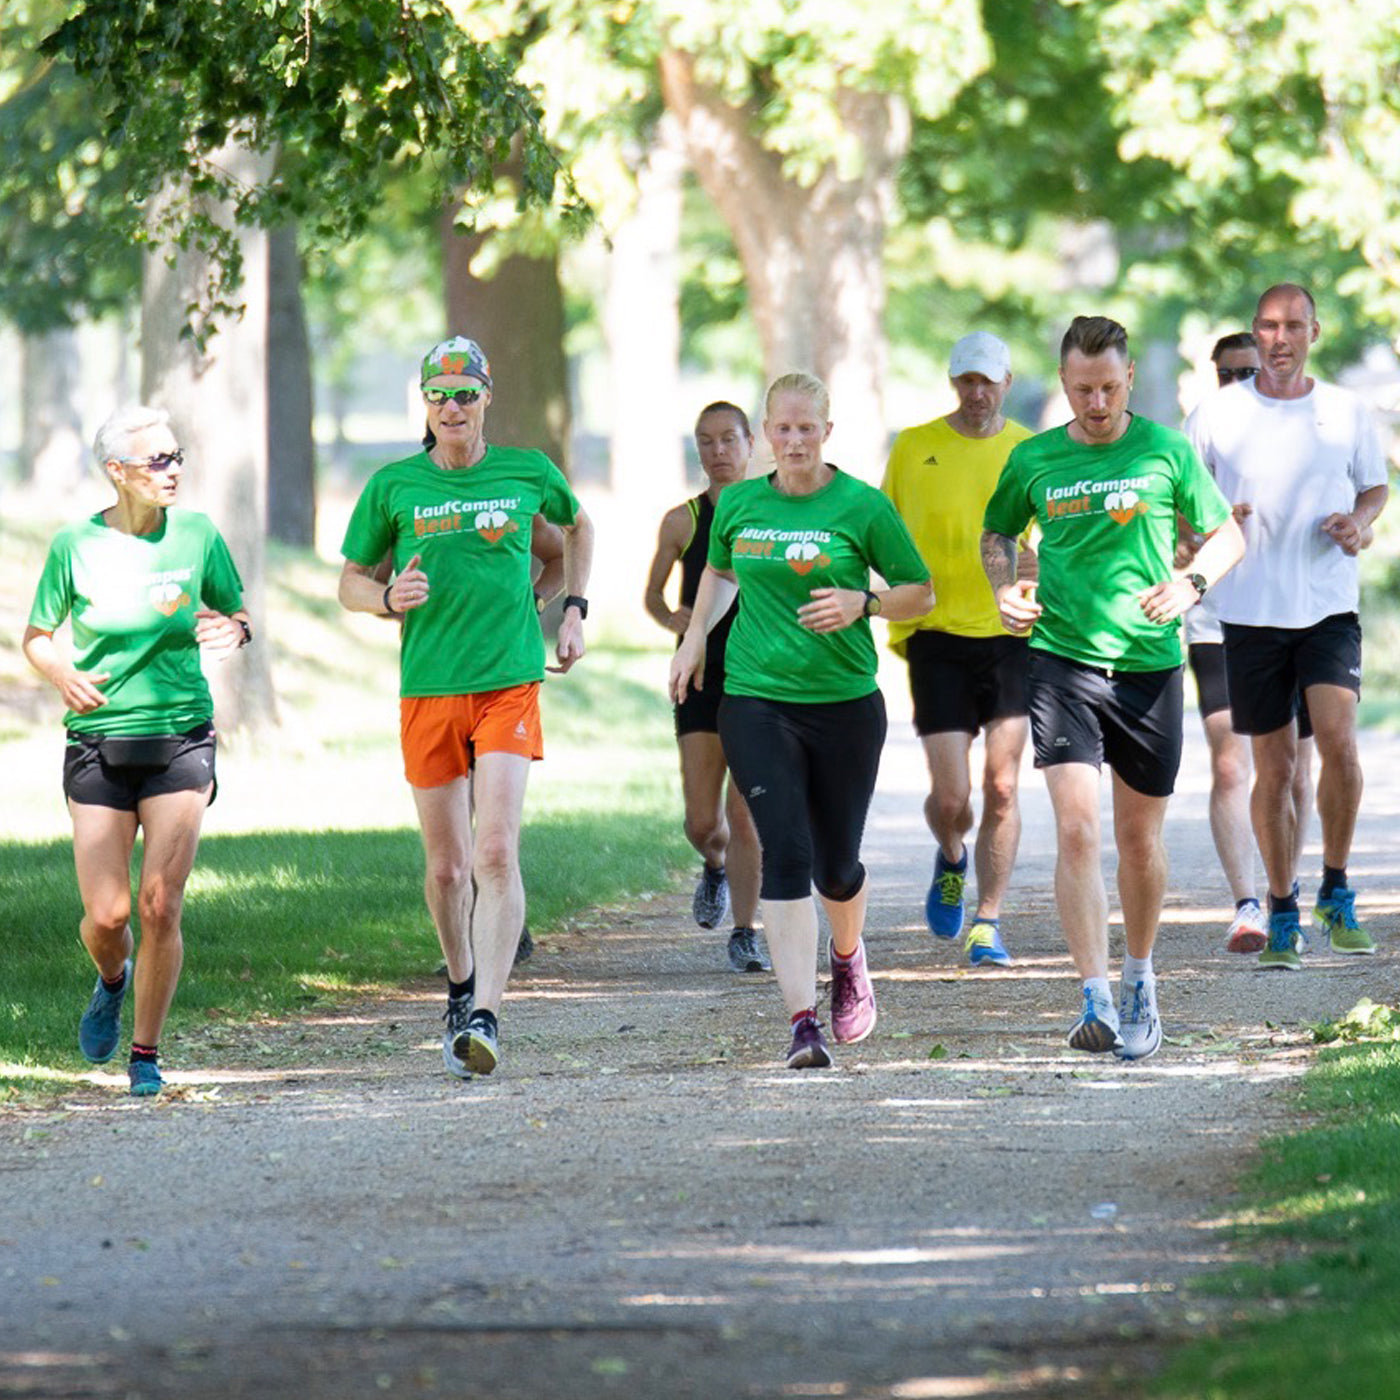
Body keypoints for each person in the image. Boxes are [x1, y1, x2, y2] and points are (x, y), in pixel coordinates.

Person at [982, 316, 1245, 1059]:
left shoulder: (1165, 450)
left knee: (1138, 840)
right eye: (1079, 389)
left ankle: (1139, 975)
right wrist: (1007, 587)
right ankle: (1093, 993)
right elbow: (998, 534)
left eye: (1106, 387)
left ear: (1129, 378)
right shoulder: (1034, 458)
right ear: (1062, 384)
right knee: (1077, 829)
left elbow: (1228, 535)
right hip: (1062, 661)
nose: (1094, 403)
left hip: (1148, 666)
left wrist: (1192, 582)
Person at [339, 335, 594, 1079]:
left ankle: (486, 1011)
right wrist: (387, 597)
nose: (453, 405)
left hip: (509, 681)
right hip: (428, 687)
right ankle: (458, 983)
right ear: (425, 404)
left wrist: (571, 606)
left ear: (488, 396)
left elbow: (574, 531)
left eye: (466, 392)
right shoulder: (395, 486)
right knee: (448, 869)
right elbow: (349, 581)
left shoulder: (526, 473)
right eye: (439, 394)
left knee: (495, 851)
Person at [670, 373, 933, 1069]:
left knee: (837, 866)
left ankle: (848, 958)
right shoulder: (741, 505)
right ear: (765, 433)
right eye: (780, 429)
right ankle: (801, 1020)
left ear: (826, 432)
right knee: (786, 851)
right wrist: (696, 637)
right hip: (755, 698)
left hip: (845, 702)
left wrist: (864, 604)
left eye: (805, 429)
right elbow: (720, 573)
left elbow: (920, 593)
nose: (792, 442)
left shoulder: (862, 507)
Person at [23, 406, 251, 1097]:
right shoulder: (76, 545)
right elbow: (36, 634)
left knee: (159, 904)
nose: (173, 469)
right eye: (157, 460)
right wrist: (60, 672)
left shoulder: (199, 535)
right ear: (116, 472)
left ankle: (146, 1054)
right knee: (109, 916)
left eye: (177, 456)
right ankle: (112, 978)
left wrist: (234, 630)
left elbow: (236, 612)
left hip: (181, 736)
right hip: (97, 741)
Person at [1186, 284, 1389, 969]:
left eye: (1293, 326)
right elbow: (1182, 504)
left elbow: (1374, 487)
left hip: (1328, 606)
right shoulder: (1215, 416)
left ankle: (1335, 885)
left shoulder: (1344, 411)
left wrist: (1357, 525)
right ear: (1255, 330)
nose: (1279, 339)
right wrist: (1205, 532)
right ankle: (1280, 908)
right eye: (1268, 326)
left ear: (1313, 332)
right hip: (1248, 616)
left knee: (1340, 746)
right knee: (1272, 772)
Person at [882, 331, 1035, 968]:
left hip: (1013, 635)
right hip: (938, 636)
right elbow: (880, 528)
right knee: (953, 801)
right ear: (954, 384)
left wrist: (1040, 565)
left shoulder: (1029, 450)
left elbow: (1058, 537)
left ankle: (988, 921)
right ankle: (951, 857)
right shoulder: (915, 447)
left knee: (1002, 786)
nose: (977, 393)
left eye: (987, 382)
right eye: (966, 381)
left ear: (1006, 383)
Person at [1181, 332, 1316, 952]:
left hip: (1301, 616)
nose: (1236, 382)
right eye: (1225, 372)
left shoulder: (1306, 426)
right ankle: (1247, 903)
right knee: (1232, 760)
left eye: (1247, 371)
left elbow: (1350, 510)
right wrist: (1200, 536)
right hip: (1220, 618)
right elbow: (1171, 526)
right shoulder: (1198, 431)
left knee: (1292, 771)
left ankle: (1286, 890)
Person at [644, 402, 767, 972]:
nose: (718, 452)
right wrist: (676, 621)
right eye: (706, 442)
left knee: (745, 816)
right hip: (697, 677)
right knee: (702, 822)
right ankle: (714, 866)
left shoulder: (773, 510)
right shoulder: (682, 521)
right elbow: (653, 596)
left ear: (749, 443)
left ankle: (745, 931)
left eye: (728, 440)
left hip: (759, 678)